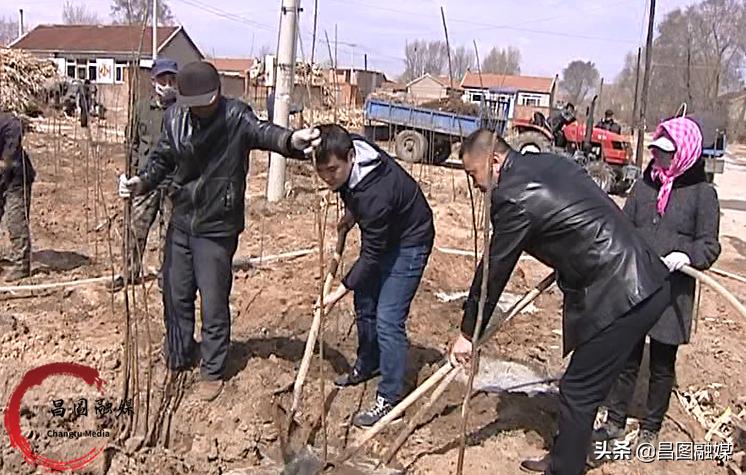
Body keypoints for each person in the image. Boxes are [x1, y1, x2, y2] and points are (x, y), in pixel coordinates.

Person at [448, 129, 672, 475]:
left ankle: (564, 467)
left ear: (494, 161)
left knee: (577, 390)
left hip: (624, 291)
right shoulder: (544, 162)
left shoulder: (513, 196)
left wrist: (467, 332)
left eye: (474, 174)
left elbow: (494, 271)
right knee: (583, 387)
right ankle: (567, 455)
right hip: (640, 277)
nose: (476, 185)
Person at [118, 61, 320, 402]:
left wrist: (292, 140)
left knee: (212, 300)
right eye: (195, 103)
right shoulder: (174, 119)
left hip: (216, 226)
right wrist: (140, 182)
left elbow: (266, 134)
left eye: (208, 101)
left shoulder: (235, 117)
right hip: (182, 220)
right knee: (175, 292)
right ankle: (179, 353)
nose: (202, 108)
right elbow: (162, 159)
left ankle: (212, 368)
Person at [594, 116, 720, 447]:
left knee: (663, 363)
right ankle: (615, 421)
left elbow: (709, 244)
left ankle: (651, 427)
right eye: (658, 151)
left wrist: (688, 256)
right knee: (627, 355)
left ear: (685, 153)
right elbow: (624, 223)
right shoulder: (646, 185)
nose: (660, 158)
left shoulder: (702, 193)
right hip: (636, 284)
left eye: (667, 152)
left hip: (672, 292)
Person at [314, 124, 434, 427]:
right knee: (364, 303)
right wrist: (352, 215)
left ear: (351, 158)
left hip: (411, 240)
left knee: (388, 317)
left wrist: (338, 290)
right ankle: (368, 364)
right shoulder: (350, 147)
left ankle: (391, 398)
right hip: (385, 229)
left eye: (333, 171)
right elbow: (355, 194)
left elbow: (372, 254)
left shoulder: (375, 195)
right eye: (322, 172)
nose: (328, 178)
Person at [112, 58, 179, 292]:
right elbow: (131, 142)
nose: (167, 84)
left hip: (173, 182)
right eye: (163, 79)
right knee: (135, 229)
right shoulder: (141, 108)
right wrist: (129, 177)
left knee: (169, 232)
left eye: (171, 79)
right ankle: (128, 272)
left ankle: (165, 276)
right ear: (153, 81)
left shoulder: (182, 110)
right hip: (145, 181)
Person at [0, 112, 35, 282]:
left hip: (17, 178)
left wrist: (6, 159)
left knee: (15, 219)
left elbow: (17, 125)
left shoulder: (5, 122)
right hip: (2, 179)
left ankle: (21, 264)